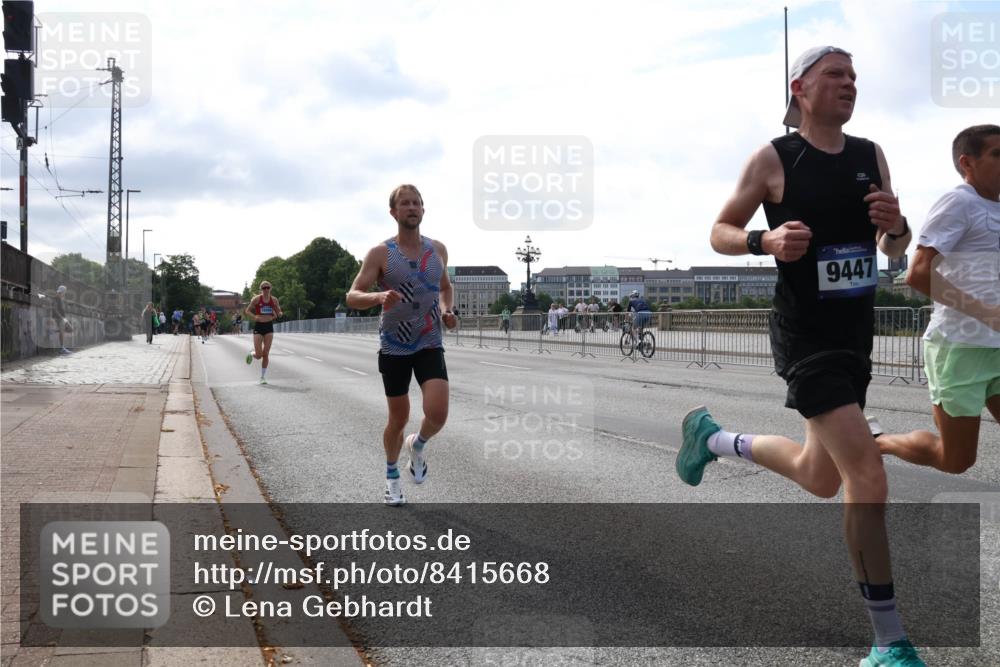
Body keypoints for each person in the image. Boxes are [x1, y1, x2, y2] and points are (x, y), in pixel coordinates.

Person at [675, 47, 922, 667]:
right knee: (866, 477)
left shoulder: (872, 155)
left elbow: (894, 244)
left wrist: (896, 226)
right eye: (835, 76)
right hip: (805, 336)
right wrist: (765, 239)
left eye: (854, 77)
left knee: (821, 477)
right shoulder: (775, 158)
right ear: (801, 88)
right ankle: (888, 642)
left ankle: (713, 440)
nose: (849, 85)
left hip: (855, 333)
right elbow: (720, 231)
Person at [868, 124, 1000, 474]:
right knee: (956, 460)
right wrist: (987, 313)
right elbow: (918, 272)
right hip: (960, 348)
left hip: (997, 346)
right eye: (997, 154)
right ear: (967, 163)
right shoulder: (959, 202)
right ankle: (877, 443)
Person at [346, 184, 457, 506]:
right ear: (394, 212)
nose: (412, 208)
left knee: (437, 414)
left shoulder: (437, 250)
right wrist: (378, 296)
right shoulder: (381, 253)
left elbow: (445, 287)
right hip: (394, 346)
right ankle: (392, 475)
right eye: (405, 204)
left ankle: (418, 446)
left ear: (423, 210)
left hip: (429, 341)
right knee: (398, 417)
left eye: (417, 203)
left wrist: (447, 310)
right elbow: (352, 295)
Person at [245, 282, 283, 384]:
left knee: (265, 354)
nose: (266, 289)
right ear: (261, 289)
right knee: (259, 355)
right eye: (264, 288)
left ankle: (262, 377)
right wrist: (255, 317)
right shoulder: (257, 299)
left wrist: (279, 314)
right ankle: (252, 354)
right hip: (258, 327)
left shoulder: (274, 300)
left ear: (270, 288)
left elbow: (278, 311)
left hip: (269, 327)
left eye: (268, 288)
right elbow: (247, 311)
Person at [53, 285, 72, 353]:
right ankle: (62, 348)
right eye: (64, 292)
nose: (64, 293)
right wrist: (61, 318)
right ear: (61, 292)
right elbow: (55, 310)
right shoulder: (56, 298)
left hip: (63, 318)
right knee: (62, 332)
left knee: (70, 329)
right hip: (59, 318)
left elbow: (62, 309)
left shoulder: (61, 299)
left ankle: (56, 331)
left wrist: (65, 318)